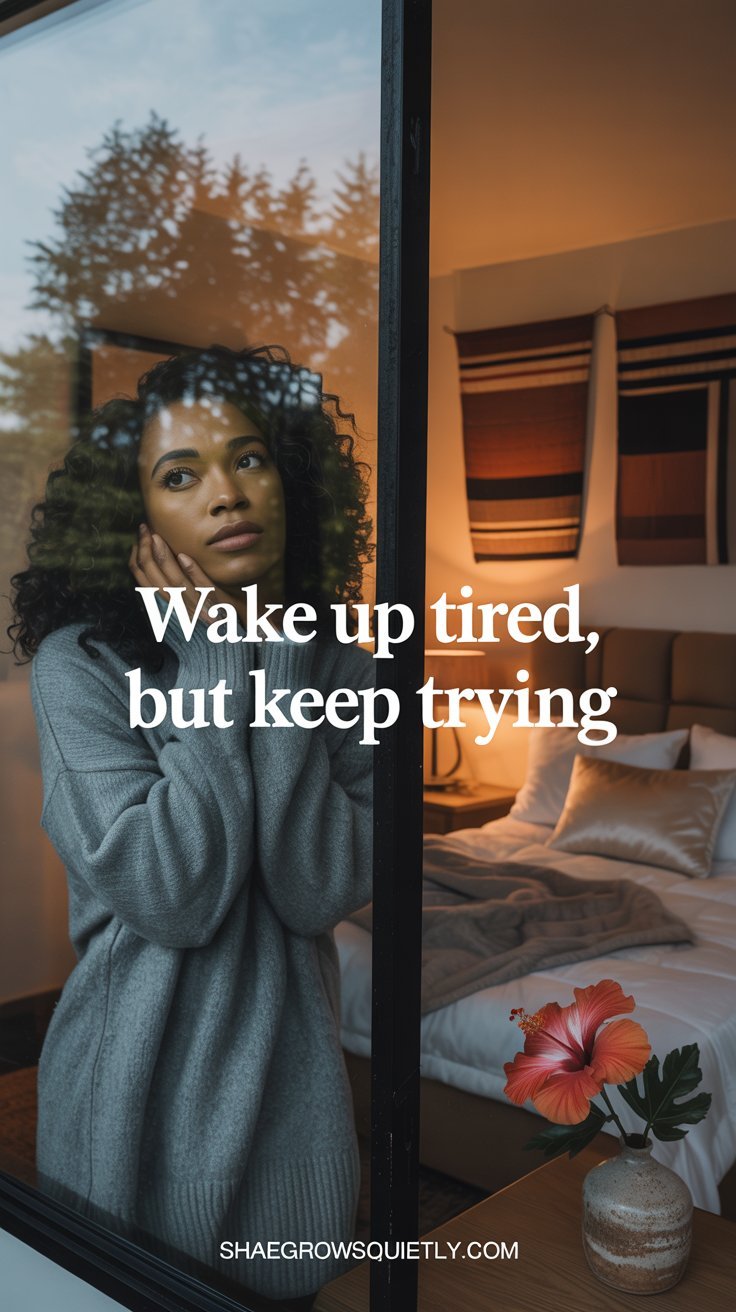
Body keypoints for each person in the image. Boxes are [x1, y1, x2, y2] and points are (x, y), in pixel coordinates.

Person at [9, 343, 375, 1302]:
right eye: (182, 476)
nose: (228, 493)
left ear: (294, 483)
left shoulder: (345, 668)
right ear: (138, 522)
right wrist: (216, 659)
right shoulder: (79, 668)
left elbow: (313, 890)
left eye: (249, 459)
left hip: (290, 1111)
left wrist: (280, 649)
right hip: (122, 1099)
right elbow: (174, 895)